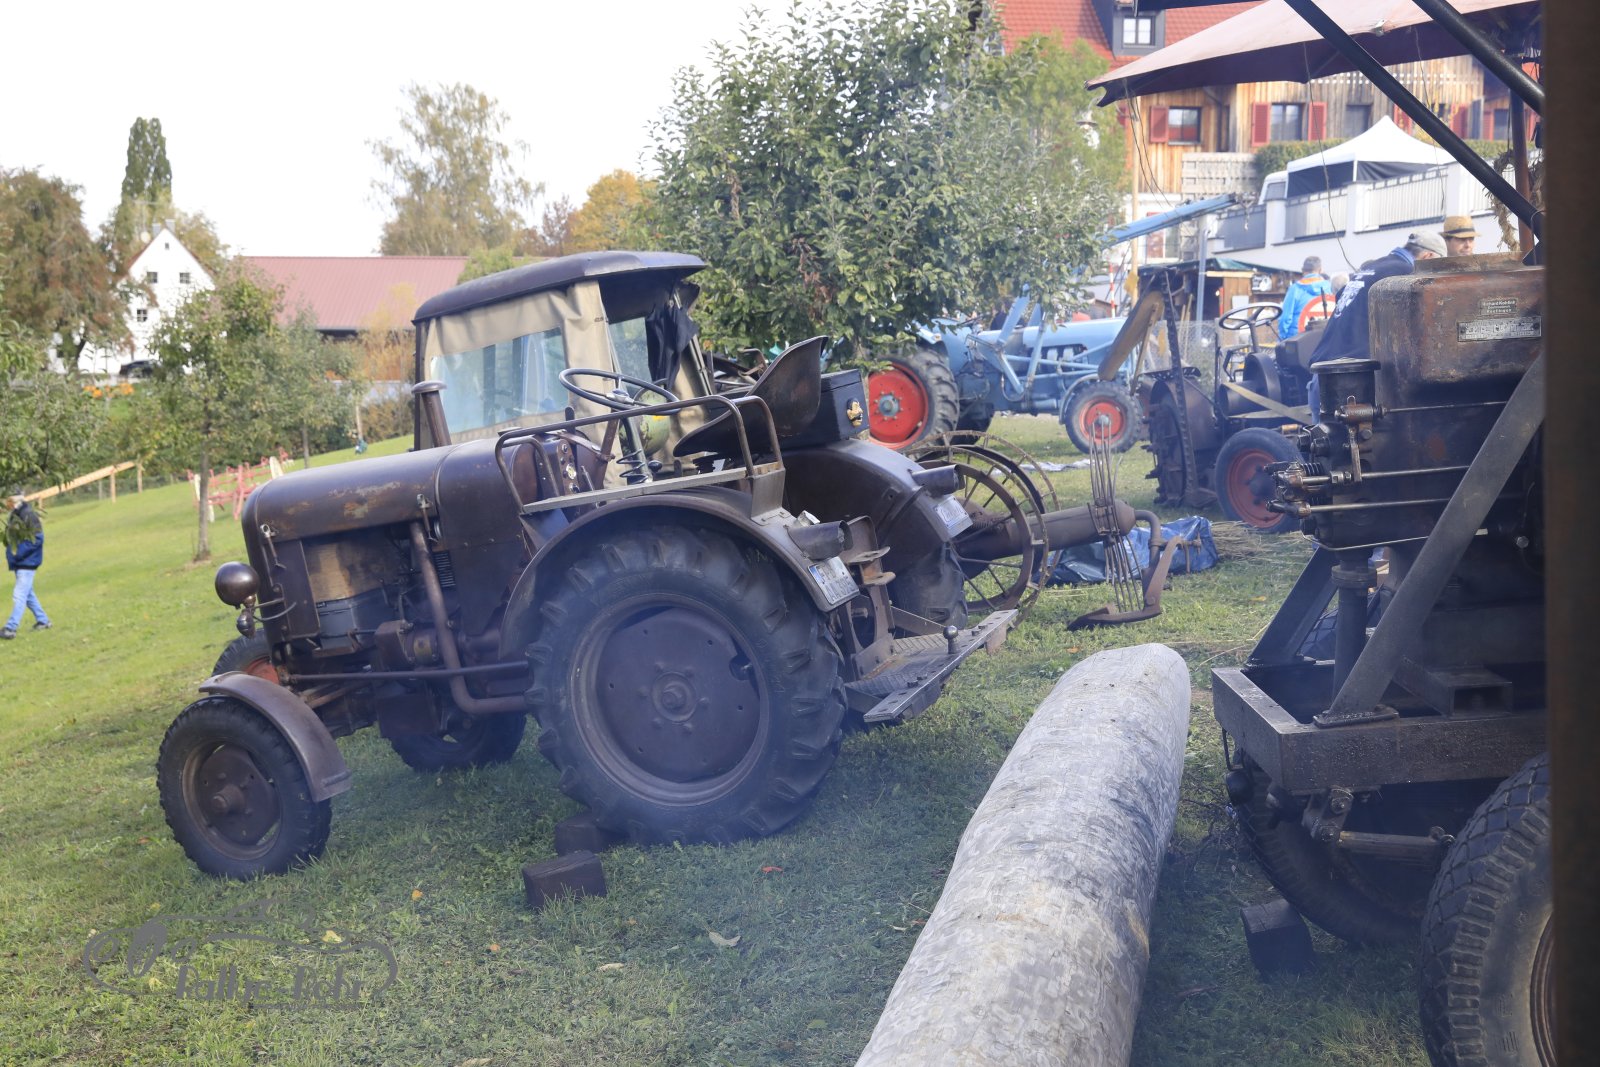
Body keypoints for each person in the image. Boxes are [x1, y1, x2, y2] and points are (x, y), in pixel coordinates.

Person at [1310, 231, 1446, 366]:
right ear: (1428, 256)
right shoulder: (1407, 274)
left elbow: (1340, 295)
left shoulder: (1375, 266)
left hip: (1323, 363)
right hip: (1353, 368)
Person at [4, 495, 51, 639]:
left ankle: (11, 628)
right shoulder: (15, 515)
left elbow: (38, 539)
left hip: (27, 562)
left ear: (17, 501)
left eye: (9, 501)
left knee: (19, 594)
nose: (7, 504)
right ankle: (43, 620)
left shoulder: (28, 514)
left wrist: (17, 553)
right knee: (28, 595)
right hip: (21, 562)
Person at [1278, 256, 1334, 340]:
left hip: (1297, 338)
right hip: (1323, 338)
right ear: (1320, 270)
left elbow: (1285, 318)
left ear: (1302, 270)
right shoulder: (1330, 288)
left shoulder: (1295, 289)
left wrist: (1282, 338)